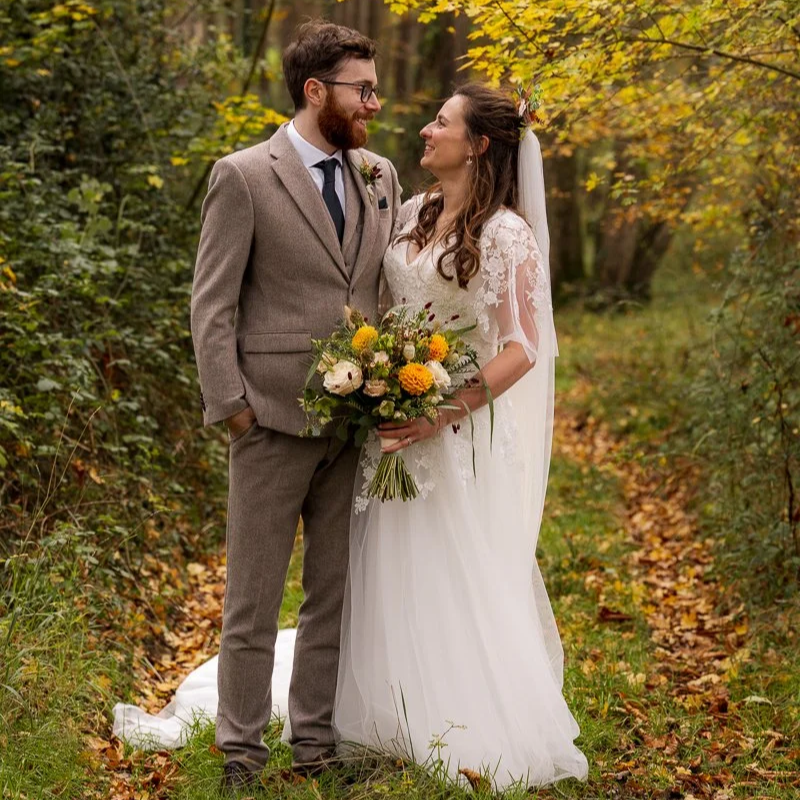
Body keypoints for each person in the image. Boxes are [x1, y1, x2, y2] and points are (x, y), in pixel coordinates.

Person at [333, 83, 589, 789]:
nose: (424, 130)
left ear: (476, 144)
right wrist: (379, 378)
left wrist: (441, 410)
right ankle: (383, 707)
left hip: (454, 431)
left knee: (450, 566)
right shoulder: (414, 213)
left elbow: (523, 345)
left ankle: (454, 714)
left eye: (440, 123)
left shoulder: (508, 234)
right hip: (391, 419)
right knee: (388, 557)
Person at [190, 20, 401, 791]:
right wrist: (234, 409)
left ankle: (314, 744)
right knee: (250, 601)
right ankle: (241, 752)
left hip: (355, 425)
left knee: (333, 597)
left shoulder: (380, 173)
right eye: (363, 89)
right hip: (271, 421)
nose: (375, 103)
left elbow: (377, 290)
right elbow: (211, 305)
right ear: (317, 92)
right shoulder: (243, 176)